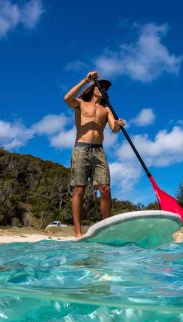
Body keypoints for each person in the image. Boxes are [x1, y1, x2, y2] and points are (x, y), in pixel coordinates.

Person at [64, 71, 126, 238]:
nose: (103, 88)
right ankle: (78, 233)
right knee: (79, 189)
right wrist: (85, 80)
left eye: (105, 88)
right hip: (81, 148)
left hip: (99, 150)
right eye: (101, 85)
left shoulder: (106, 110)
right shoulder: (81, 104)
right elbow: (67, 99)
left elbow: (113, 129)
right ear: (93, 88)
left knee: (105, 188)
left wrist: (119, 125)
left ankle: (106, 229)